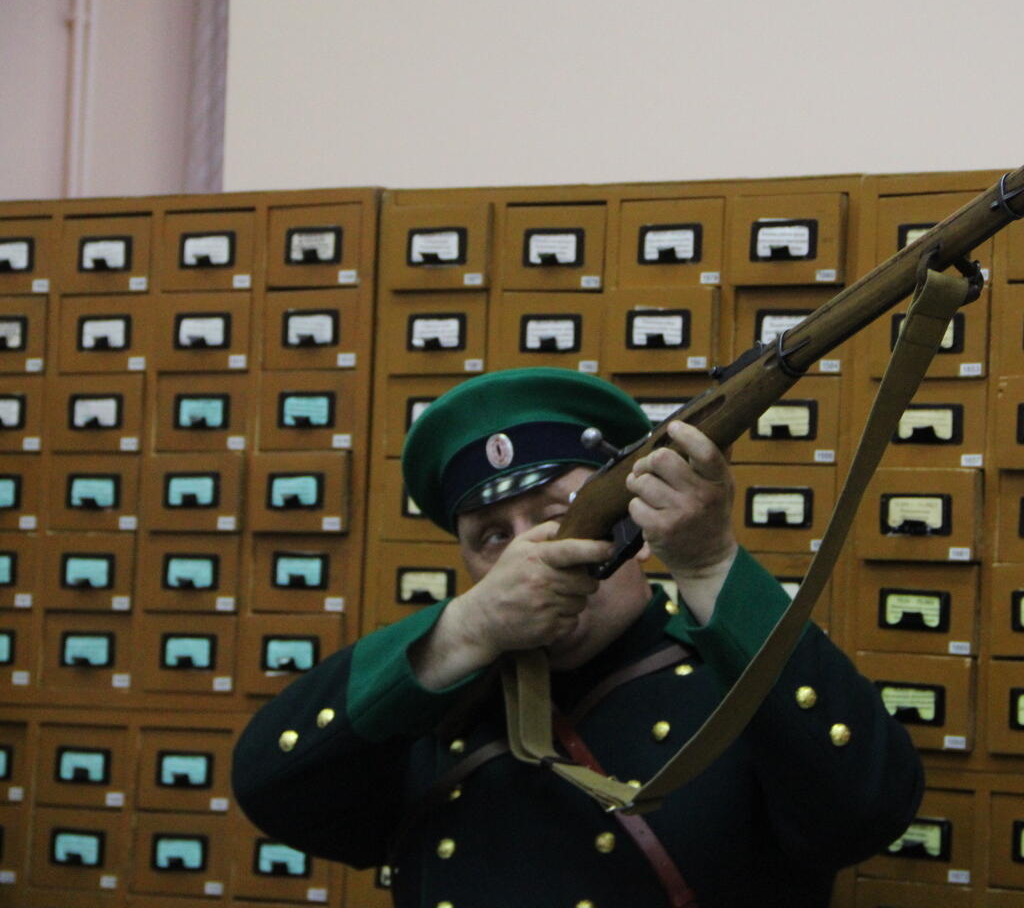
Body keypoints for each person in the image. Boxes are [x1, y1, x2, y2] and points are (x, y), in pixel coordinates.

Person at [232, 367, 924, 908]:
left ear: (631, 524)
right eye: (492, 537)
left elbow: (866, 810)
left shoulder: (732, 673)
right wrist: (462, 631)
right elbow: (272, 788)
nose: (526, 550)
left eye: (556, 513)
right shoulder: (435, 700)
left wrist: (711, 565)